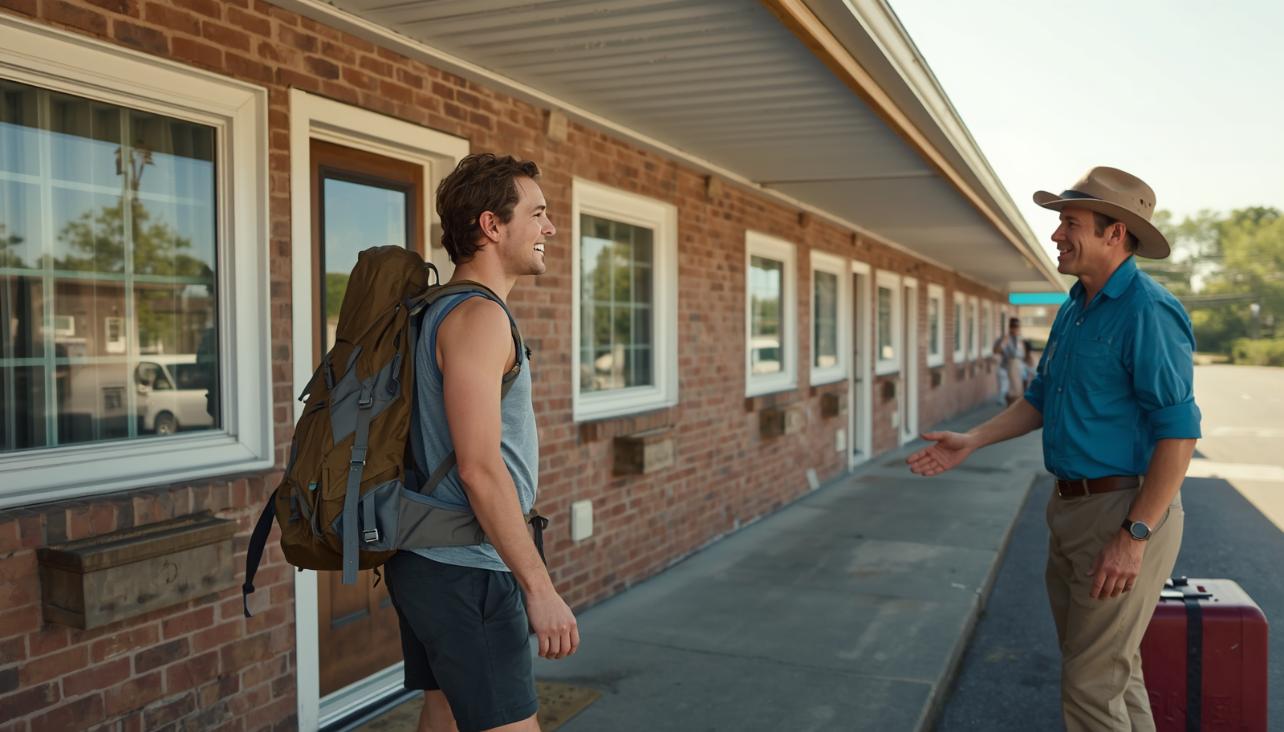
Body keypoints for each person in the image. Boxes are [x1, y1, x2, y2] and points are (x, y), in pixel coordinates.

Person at [907, 166, 1200, 731]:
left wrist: (1134, 535)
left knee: (1091, 685)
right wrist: (973, 439)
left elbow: (1179, 432)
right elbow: (1041, 398)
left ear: (1115, 234)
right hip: (1070, 509)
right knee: (1109, 675)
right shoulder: (1074, 307)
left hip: (1123, 511)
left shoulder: (1148, 310)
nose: (1056, 234)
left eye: (1071, 222)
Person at [384, 153, 578, 732]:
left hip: (428, 559)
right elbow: (479, 467)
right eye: (537, 213)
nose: (549, 228)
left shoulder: (434, 310)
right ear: (492, 225)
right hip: (465, 569)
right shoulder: (479, 317)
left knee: (444, 709)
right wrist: (539, 588)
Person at [992, 317, 1034, 405]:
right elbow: (996, 351)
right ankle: (1010, 406)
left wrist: (1029, 364)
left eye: (1017, 326)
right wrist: (1004, 342)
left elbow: (1026, 354)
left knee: (1021, 391)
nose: (1016, 329)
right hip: (1009, 367)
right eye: (1013, 326)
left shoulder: (1021, 339)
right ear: (1010, 327)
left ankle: (1016, 406)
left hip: (1020, 367)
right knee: (1012, 392)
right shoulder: (1005, 338)